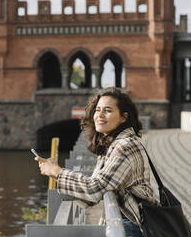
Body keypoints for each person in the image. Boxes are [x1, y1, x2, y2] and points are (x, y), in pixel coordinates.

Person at [35, 87, 160, 237]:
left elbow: (95, 189)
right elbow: (95, 187)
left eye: (107, 110)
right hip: (124, 223)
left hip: (132, 227)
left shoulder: (125, 146)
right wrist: (56, 174)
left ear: (123, 117)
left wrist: (57, 172)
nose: (99, 115)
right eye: (97, 110)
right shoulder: (111, 144)